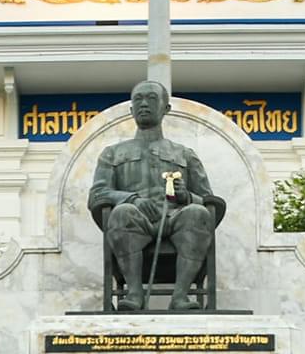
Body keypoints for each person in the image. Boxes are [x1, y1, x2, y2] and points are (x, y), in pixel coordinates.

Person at [88, 79, 218, 311]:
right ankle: (135, 295)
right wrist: (131, 199)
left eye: (151, 98)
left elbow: (208, 199)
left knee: (198, 213)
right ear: (131, 110)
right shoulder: (113, 153)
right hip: (135, 221)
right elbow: (98, 195)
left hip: (176, 219)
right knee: (123, 212)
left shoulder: (185, 154)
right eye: (138, 99)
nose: (144, 104)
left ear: (165, 108)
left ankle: (180, 297)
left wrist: (187, 197)